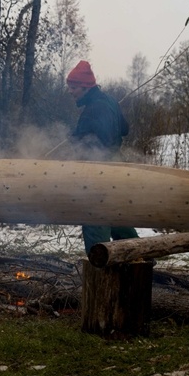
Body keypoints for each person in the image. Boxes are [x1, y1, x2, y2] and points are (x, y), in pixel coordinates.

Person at [65, 60, 139, 255]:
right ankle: (140, 257)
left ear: (85, 87)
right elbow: (125, 129)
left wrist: (77, 139)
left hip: (100, 173)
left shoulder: (95, 108)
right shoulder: (109, 101)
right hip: (117, 167)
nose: (70, 92)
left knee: (95, 219)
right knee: (117, 216)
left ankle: (100, 271)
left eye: (73, 87)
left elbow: (98, 144)